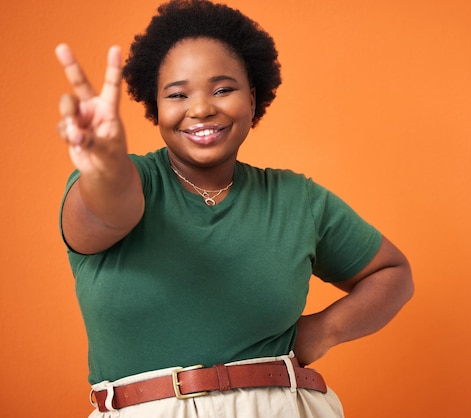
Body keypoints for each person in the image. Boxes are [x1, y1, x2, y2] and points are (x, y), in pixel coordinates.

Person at [55, 0, 413, 417]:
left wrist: (323, 331)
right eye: (177, 94)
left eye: (223, 89)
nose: (202, 108)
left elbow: (393, 274)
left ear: (253, 97)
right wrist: (106, 163)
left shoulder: (297, 199)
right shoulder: (131, 182)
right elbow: (110, 209)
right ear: (154, 106)